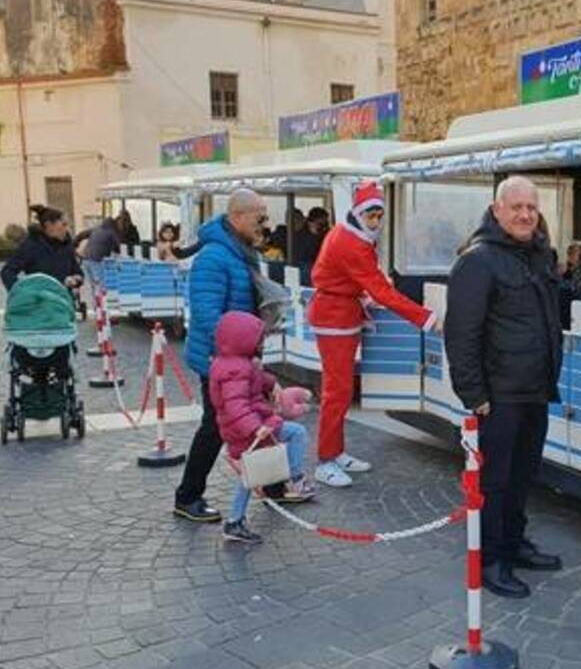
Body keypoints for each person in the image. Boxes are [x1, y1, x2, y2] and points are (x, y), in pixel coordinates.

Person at [444, 175, 564, 599]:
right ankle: (492, 559)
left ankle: (515, 544)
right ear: (497, 211)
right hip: (497, 397)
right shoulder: (477, 260)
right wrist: (474, 396)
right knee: (494, 480)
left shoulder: (539, 255)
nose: (525, 215)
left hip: (535, 390)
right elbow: (461, 335)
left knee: (522, 476)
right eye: (516, 207)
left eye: (531, 207)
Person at [308, 181, 438, 488]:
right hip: (334, 320)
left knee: (340, 390)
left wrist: (365, 295)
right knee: (336, 392)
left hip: (340, 315)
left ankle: (335, 452)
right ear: (358, 213)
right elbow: (380, 289)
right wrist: (426, 318)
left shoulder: (348, 234)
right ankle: (326, 459)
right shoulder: (351, 243)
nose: (376, 222)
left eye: (379, 216)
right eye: (372, 216)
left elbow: (365, 283)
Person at [174, 189, 271, 523]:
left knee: (257, 416)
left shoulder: (239, 251)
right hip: (220, 360)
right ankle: (187, 496)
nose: (264, 225)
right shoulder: (215, 257)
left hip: (238, 357)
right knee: (215, 427)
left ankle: (272, 485)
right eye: (260, 217)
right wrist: (238, 350)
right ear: (239, 216)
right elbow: (206, 313)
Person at [210, 310, 315, 543]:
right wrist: (255, 427)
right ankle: (295, 479)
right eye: (259, 339)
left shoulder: (235, 363)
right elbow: (236, 405)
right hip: (249, 429)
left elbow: (253, 381)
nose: (262, 344)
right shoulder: (236, 368)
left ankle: (235, 521)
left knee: (250, 476)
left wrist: (271, 383)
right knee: (296, 434)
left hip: (250, 426)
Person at [0, 205, 83, 291]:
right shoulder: (31, 245)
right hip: (40, 300)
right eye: (64, 225)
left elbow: (77, 271)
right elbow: (7, 272)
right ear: (49, 225)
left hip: (63, 299)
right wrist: (22, 292)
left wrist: (76, 279)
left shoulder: (66, 245)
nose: (67, 229)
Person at [74, 217, 120, 289]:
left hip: (86, 259)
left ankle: (92, 298)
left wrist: (74, 244)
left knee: (90, 285)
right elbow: (118, 248)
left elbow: (81, 234)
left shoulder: (95, 229)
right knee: (100, 285)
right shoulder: (112, 232)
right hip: (97, 260)